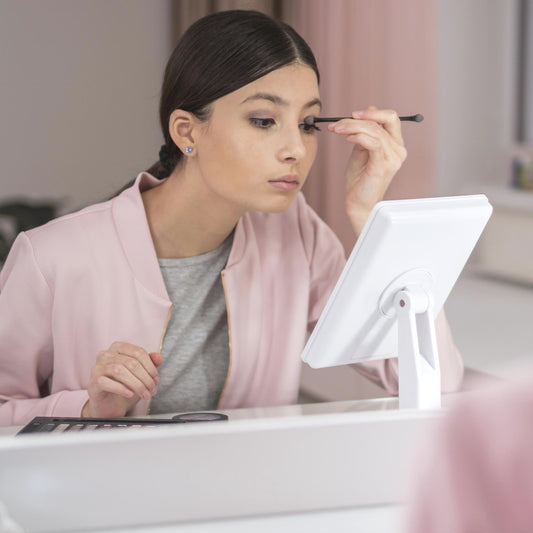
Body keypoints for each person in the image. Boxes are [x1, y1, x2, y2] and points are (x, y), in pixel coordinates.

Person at [0, 10, 463, 426]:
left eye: (307, 123)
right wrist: (87, 408)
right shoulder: (51, 258)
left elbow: (433, 381)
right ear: (186, 131)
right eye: (264, 120)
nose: (296, 150)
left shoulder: (296, 234)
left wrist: (372, 215)